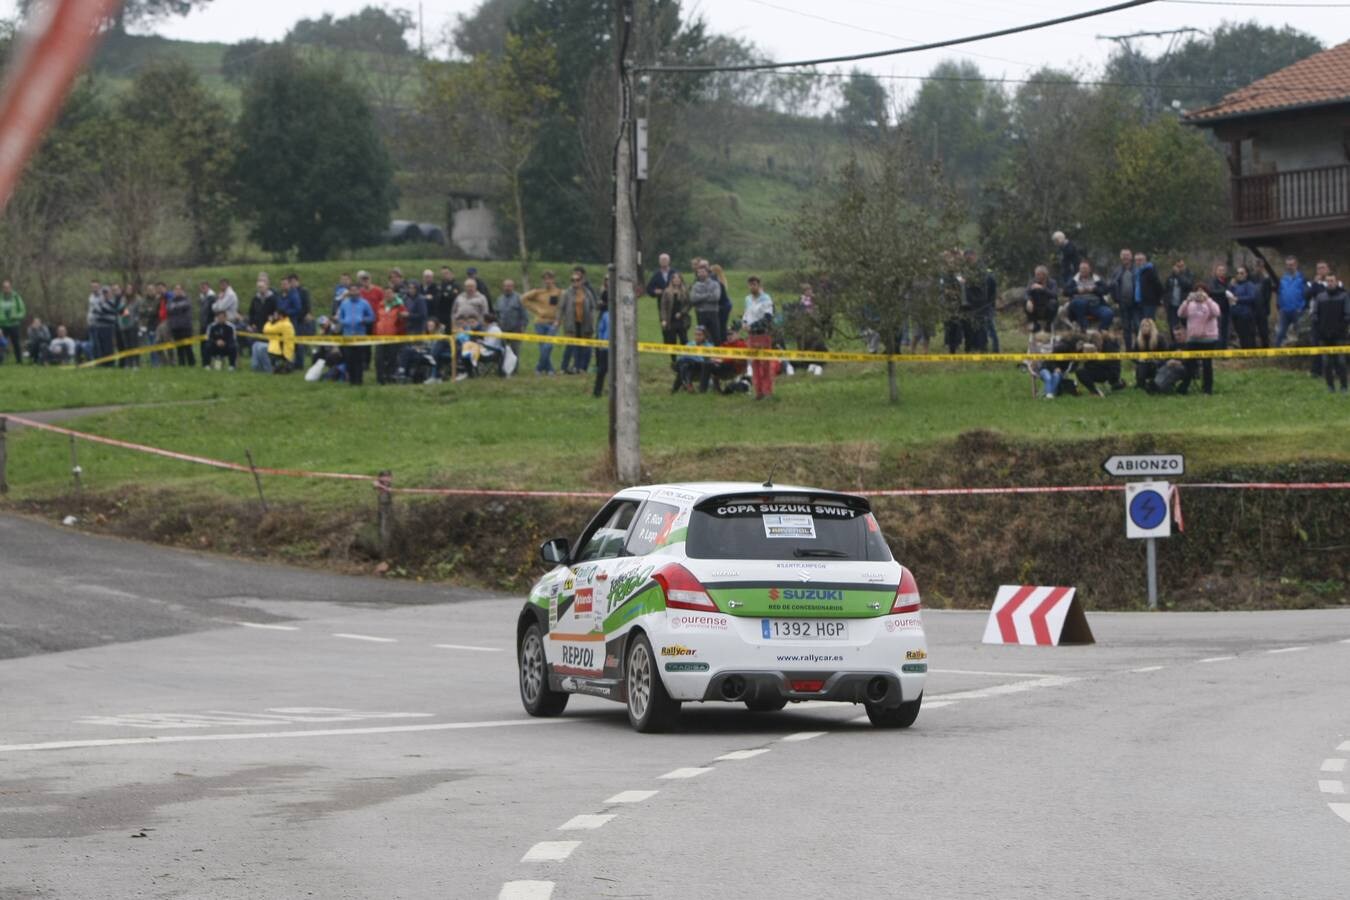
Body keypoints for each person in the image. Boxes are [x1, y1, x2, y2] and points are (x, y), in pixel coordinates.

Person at [1307, 272, 1349, 393]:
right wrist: (1320, 329)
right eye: (1328, 281)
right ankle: (1330, 386)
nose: (1330, 283)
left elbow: (1347, 315)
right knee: (1326, 363)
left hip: (1339, 336)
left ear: (1336, 282)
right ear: (1325, 283)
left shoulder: (1344, 296)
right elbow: (1315, 315)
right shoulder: (1320, 297)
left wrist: (1340, 329)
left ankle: (1344, 387)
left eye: (1332, 281)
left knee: (1341, 362)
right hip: (1324, 336)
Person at [1179, 283, 1221, 395]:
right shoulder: (1190, 304)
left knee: (1207, 365)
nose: (1199, 293)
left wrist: (1207, 300)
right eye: (1197, 291)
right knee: (1189, 363)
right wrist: (1186, 301)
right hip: (1193, 339)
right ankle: (1184, 387)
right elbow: (1180, 313)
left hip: (1209, 339)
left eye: (1202, 291)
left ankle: (1207, 389)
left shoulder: (1210, 303)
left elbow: (1217, 312)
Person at [557, 267, 597, 374]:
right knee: (570, 346)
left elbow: (593, 307)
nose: (575, 282)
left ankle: (579, 367)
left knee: (583, 346)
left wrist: (593, 320)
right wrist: (558, 320)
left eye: (577, 280)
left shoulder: (587, 293)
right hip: (571, 323)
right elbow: (561, 308)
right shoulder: (566, 293)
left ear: (582, 280)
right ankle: (564, 367)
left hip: (585, 323)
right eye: (573, 280)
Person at [742, 276, 776, 399]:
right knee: (754, 363)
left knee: (765, 363)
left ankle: (768, 391)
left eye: (754, 284)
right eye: (750, 284)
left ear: (759, 285)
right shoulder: (747, 299)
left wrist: (753, 326)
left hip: (763, 334)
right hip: (751, 336)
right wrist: (744, 323)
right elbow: (746, 314)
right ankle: (758, 392)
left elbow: (768, 318)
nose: (752, 287)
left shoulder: (766, 299)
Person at [522, 270, 561, 374]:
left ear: (553, 279)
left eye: (550, 279)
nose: (547, 281)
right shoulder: (538, 292)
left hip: (553, 323)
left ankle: (539, 368)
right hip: (540, 322)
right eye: (545, 279)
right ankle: (549, 369)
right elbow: (524, 299)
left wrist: (559, 320)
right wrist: (536, 309)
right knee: (542, 347)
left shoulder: (558, 292)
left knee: (548, 346)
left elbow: (562, 307)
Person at [336, 284, 375, 386]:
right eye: (351, 291)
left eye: (355, 291)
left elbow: (372, 317)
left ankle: (359, 380)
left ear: (359, 292)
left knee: (358, 359)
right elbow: (340, 317)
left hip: (360, 335)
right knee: (348, 359)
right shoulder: (344, 304)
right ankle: (351, 380)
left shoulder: (365, 303)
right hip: (347, 335)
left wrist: (364, 320)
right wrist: (344, 322)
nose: (353, 293)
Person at [374, 292, 408, 384]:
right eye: (386, 294)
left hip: (393, 337)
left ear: (394, 295)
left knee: (392, 358)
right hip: (380, 337)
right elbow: (376, 319)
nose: (388, 295)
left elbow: (404, 321)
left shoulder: (399, 306)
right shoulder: (380, 305)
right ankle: (380, 378)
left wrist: (402, 320)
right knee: (378, 359)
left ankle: (390, 377)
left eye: (390, 293)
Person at [495, 278, 527, 368]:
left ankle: (514, 369)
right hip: (502, 329)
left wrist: (523, 327)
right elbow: (496, 313)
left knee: (514, 351)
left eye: (509, 286)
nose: (507, 288)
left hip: (516, 329)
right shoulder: (499, 299)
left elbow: (524, 315)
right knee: (502, 350)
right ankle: (503, 368)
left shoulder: (519, 298)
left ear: (513, 287)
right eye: (505, 286)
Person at [673, 325, 715, 393]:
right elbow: (681, 356)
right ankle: (688, 384)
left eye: (699, 335)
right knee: (684, 364)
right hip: (687, 364)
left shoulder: (709, 346)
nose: (697, 337)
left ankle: (683, 385)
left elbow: (710, 360)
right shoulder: (690, 344)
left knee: (684, 365)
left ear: (705, 336)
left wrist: (693, 357)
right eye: (696, 335)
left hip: (699, 366)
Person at [1276, 255, 1307, 347]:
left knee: (1300, 333)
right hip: (1284, 311)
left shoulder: (1302, 278)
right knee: (1280, 333)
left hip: (1297, 311)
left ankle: (1301, 357)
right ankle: (1275, 355)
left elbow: (1306, 294)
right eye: (1288, 265)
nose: (1289, 267)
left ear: (1296, 265)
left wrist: (1301, 307)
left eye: (1291, 264)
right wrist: (1280, 307)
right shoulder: (1283, 279)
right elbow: (1280, 294)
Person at [689, 262, 723, 346]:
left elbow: (716, 297)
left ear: (707, 273)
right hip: (701, 313)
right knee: (702, 336)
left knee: (716, 335)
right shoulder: (695, 285)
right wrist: (708, 295)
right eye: (699, 272)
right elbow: (693, 298)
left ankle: (717, 356)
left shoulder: (715, 284)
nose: (700, 274)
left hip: (712, 313)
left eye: (703, 272)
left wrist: (700, 297)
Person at [1133, 252, 1162, 343]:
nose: (1138, 262)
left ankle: (1152, 346)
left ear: (1145, 260)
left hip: (1149, 302)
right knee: (1140, 327)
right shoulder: (1136, 272)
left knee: (1149, 326)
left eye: (1140, 260)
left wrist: (1157, 299)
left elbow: (1158, 285)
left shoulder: (1150, 270)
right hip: (1138, 302)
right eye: (1137, 260)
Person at [1228, 265, 1260, 349]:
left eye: (1242, 273)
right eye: (1238, 273)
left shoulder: (1249, 285)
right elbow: (1229, 295)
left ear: (1246, 274)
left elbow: (1252, 297)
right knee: (1241, 335)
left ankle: (1250, 354)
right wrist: (1231, 286)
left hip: (1246, 315)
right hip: (1236, 314)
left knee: (1248, 336)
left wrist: (1238, 299)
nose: (1239, 275)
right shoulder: (1235, 285)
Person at [1109, 248, 1136, 348]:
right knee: (1126, 327)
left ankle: (1139, 348)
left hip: (1136, 302)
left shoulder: (1136, 269)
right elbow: (1111, 285)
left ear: (1131, 256)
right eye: (1123, 255)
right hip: (1123, 303)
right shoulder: (1117, 271)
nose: (1125, 257)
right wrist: (1115, 299)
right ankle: (1128, 349)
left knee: (1137, 325)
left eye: (1127, 255)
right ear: (1120, 257)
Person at [1133, 318, 1169, 390]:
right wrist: (1139, 359)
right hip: (1144, 363)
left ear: (1151, 327)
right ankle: (1141, 384)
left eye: (1146, 326)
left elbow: (1166, 353)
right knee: (1141, 365)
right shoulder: (1138, 340)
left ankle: (1155, 383)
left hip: (1157, 362)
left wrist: (1156, 359)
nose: (1144, 328)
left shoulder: (1159, 338)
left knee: (1153, 364)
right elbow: (1133, 355)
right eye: (1142, 326)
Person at [659, 272, 690, 348]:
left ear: (681, 280)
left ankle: (685, 357)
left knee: (684, 339)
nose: (676, 280)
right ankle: (674, 358)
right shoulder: (666, 291)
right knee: (672, 340)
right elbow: (663, 306)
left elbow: (688, 304)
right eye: (674, 278)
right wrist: (663, 319)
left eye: (678, 278)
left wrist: (682, 313)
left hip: (682, 320)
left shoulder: (685, 291)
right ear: (672, 280)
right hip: (671, 319)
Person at [1024, 266, 1058, 333]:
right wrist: (1028, 300)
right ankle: (1035, 324)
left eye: (1038, 274)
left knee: (1054, 302)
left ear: (1044, 275)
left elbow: (1054, 295)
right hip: (1036, 306)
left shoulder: (1052, 282)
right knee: (1026, 303)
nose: (1036, 276)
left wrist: (1042, 288)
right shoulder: (1032, 282)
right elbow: (1026, 293)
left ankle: (1048, 325)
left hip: (1047, 307)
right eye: (1036, 274)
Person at [1163, 259, 1193, 333]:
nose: (1179, 268)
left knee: (1185, 325)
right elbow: (1166, 290)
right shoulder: (1170, 277)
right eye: (1177, 266)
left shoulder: (1189, 275)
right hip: (1172, 306)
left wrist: (1179, 275)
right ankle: (1175, 343)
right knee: (1173, 326)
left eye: (1181, 266)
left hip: (1184, 305)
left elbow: (1188, 285)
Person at [1250, 257, 1275, 348]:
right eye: (1256, 266)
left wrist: (1266, 308)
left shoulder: (1266, 279)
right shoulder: (1251, 277)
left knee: (1264, 331)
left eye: (1259, 266)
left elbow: (1268, 295)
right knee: (1252, 330)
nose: (1257, 268)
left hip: (1262, 309)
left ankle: (1265, 348)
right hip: (1252, 308)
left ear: (1262, 267)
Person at [0, 279, 26, 363]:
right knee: (1, 343)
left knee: (16, 343)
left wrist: (16, 316)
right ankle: (1, 360)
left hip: (14, 324)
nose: (6, 289)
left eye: (7, 287)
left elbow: (22, 311)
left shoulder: (16, 297)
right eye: (4, 287)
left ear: (10, 287)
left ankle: (19, 360)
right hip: (2, 324)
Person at [263, 309, 295, 374]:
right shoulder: (287, 323)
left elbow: (266, 330)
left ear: (280, 316)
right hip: (286, 348)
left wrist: (269, 321)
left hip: (283, 350)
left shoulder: (283, 324)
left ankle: (277, 368)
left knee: (268, 350)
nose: (274, 317)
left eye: (275, 315)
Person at [593, 297, 610, 397]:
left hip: (619, 348)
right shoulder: (605, 315)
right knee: (602, 370)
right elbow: (601, 330)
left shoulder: (622, 315)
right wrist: (600, 343)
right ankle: (597, 392)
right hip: (605, 347)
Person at [712, 263, 734, 342]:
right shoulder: (722, 280)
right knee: (722, 325)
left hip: (722, 306)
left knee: (721, 325)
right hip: (726, 305)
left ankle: (722, 341)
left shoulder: (717, 282)